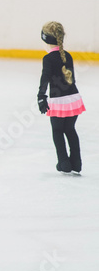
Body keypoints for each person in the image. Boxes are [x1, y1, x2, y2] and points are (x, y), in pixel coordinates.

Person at [38, 21, 85, 174]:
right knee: (70, 129)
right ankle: (76, 163)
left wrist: (41, 96)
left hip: (58, 102)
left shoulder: (48, 59)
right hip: (73, 99)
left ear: (46, 40)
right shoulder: (68, 56)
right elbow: (72, 79)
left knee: (57, 131)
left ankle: (64, 162)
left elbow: (45, 79)